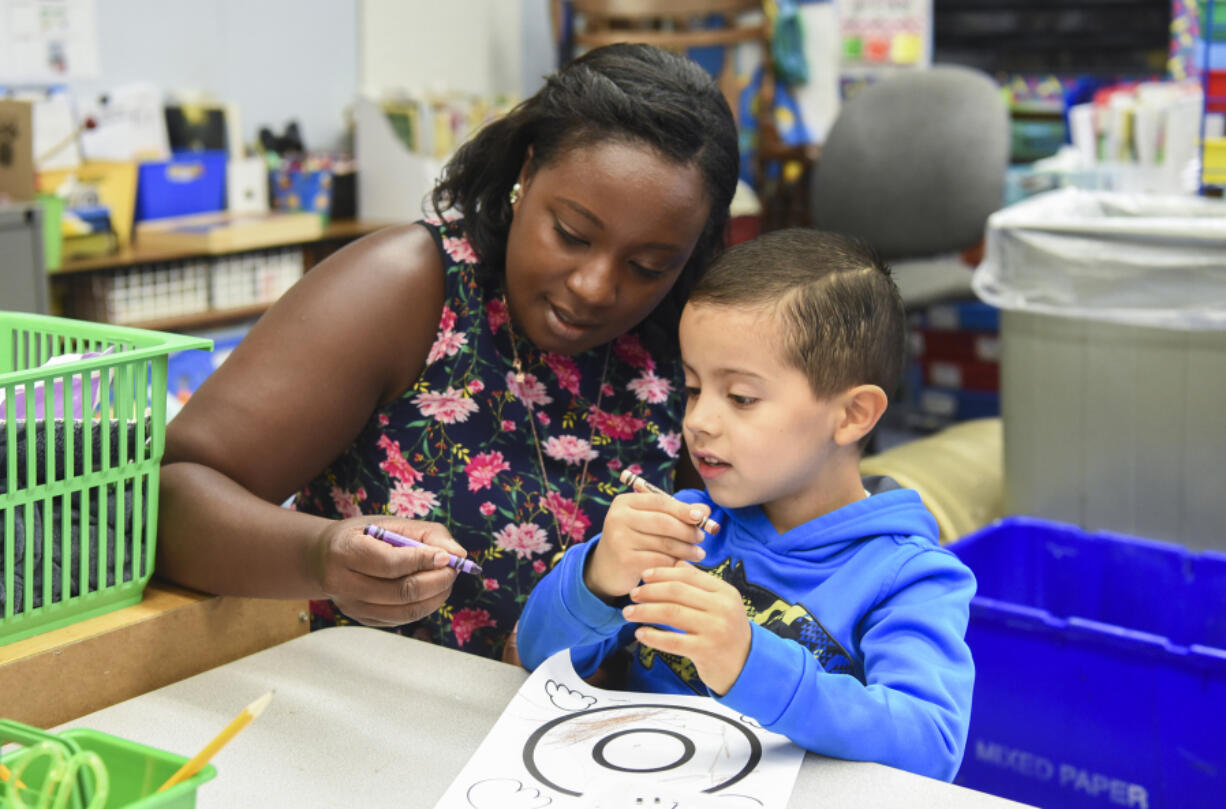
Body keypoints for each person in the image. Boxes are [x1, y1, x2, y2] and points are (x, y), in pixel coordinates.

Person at [156, 43, 739, 661]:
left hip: (594, 738)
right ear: (527, 173)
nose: (596, 286)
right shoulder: (410, 290)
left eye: (649, 265)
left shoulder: (683, 344)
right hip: (373, 724)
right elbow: (167, 498)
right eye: (570, 234)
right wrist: (321, 554)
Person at [515, 229, 977, 780]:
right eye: (691, 388)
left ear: (853, 415)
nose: (700, 421)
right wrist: (596, 578)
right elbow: (535, 658)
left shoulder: (907, 577)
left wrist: (749, 662)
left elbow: (931, 745)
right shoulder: (685, 526)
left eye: (740, 398)